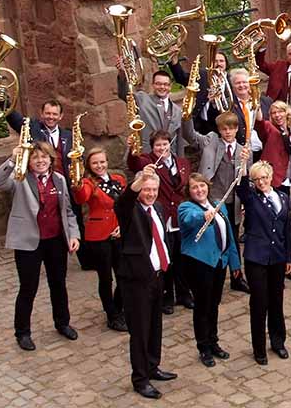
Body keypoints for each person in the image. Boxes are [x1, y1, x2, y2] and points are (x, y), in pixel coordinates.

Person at [0, 141, 81, 351]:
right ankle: (22, 332)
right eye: (35, 158)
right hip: (28, 242)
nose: (40, 161)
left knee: (58, 283)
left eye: (44, 157)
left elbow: (68, 211)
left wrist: (74, 234)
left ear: (51, 160)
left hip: (55, 240)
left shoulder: (59, 180)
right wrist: (13, 160)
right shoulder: (19, 178)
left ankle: (62, 323)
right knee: (28, 287)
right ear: (29, 161)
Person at [113, 164, 177, 399]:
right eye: (146, 189)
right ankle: (140, 378)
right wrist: (139, 181)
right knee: (139, 331)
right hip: (136, 280)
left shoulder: (158, 207)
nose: (150, 194)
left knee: (155, 326)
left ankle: (153, 366)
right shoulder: (130, 210)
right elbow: (123, 201)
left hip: (157, 276)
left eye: (153, 189)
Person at [178, 172, 242, 367]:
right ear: (189, 192)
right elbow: (189, 220)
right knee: (202, 306)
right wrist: (202, 215)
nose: (199, 190)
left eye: (202, 186)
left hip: (219, 263)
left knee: (213, 305)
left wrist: (235, 262)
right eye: (195, 187)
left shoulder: (216, 203)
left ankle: (213, 342)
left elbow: (228, 234)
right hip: (200, 264)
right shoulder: (186, 207)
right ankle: (203, 347)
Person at [184, 112, 252, 293]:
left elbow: (246, 179)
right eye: (224, 128)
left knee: (233, 239)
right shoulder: (210, 141)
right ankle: (210, 277)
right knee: (212, 237)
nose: (228, 132)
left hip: (233, 202)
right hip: (213, 200)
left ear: (237, 129)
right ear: (219, 130)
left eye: (231, 128)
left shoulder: (243, 150)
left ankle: (237, 276)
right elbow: (190, 135)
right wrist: (187, 113)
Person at [127, 130, 193, 314]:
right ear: (152, 147)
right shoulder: (148, 162)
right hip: (163, 218)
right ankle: (167, 296)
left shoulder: (182, 162)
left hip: (180, 217)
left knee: (182, 257)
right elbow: (133, 163)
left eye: (165, 144)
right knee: (167, 258)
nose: (162, 148)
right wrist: (132, 147)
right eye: (158, 145)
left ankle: (184, 293)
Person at [234, 161, 291, 365]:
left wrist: (288, 258)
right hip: (256, 258)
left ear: (271, 176)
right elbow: (241, 188)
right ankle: (259, 348)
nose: (261, 182)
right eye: (256, 179)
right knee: (259, 303)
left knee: (277, 301)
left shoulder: (283, 198)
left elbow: (287, 230)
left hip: (277, 257)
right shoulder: (251, 199)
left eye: (264, 177)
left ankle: (278, 342)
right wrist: (242, 167)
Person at [72, 147, 128, 331]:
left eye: (102, 162)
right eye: (95, 163)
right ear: (89, 165)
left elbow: (127, 203)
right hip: (99, 236)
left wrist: (123, 225)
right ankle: (111, 315)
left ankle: (119, 307)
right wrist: (77, 183)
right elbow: (81, 198)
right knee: (105, 278)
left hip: (119, 233)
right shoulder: (88, 183)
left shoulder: (118, 179)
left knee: (123, 275)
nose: (99, 166)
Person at [116, 65, 187, 155]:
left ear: (170, 86)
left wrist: (180, 163)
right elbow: (125, 94)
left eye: (165, 84)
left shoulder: (177, 111)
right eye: (158, 84)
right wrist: (122, 75)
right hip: (146, 156)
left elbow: (179, 141)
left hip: (169, 159)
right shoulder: (142, 99)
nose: (162, 87)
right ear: (153, 85)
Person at [254, 101, 291, 194]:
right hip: (275, 181)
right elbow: (260, 123)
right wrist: (257, 107)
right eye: (273, 113)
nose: (277, 115)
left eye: (280, 111)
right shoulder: (270, 129)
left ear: (286, 113)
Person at [255, 40, 291, 115]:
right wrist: (262, 47)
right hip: (276, 115)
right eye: (290, 54)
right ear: (287, 56)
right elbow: (260, 64)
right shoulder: (279, 66)